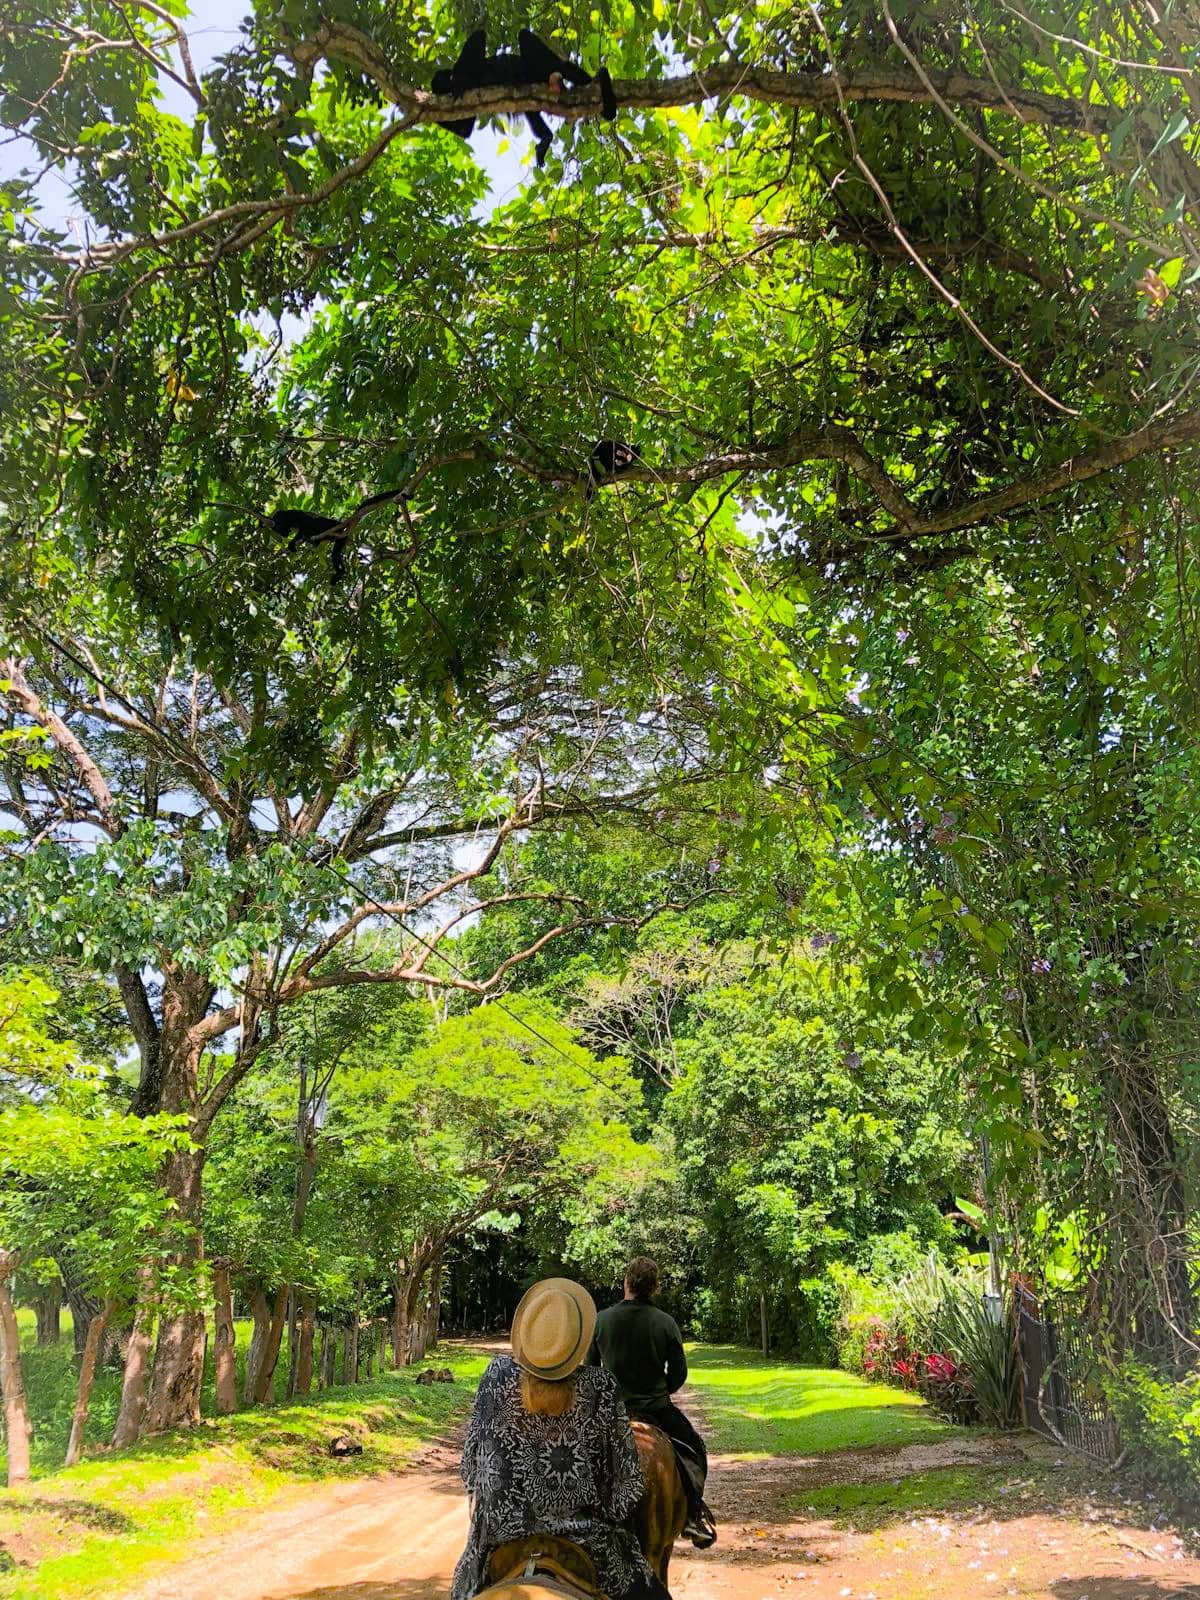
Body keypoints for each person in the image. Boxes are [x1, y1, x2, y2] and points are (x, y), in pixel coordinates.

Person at [451, 1276, 670, 1600]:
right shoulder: (601, 1387)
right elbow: (626, 1491)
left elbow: (470, 1472)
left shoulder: (495, 1377)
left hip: (498, 1543)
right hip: (589, 1545)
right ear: (577, 1342)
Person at [588, 1256, 716, 1549]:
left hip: (614, 1412)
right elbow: (679, 1373)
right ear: (654, 1287)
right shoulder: (666, 1323)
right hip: (657, 1410)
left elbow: (592, 1371)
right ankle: (693, 1516)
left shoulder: (602, 1320)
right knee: (695, 1448)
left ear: (627, 1283)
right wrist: (661, 1391)